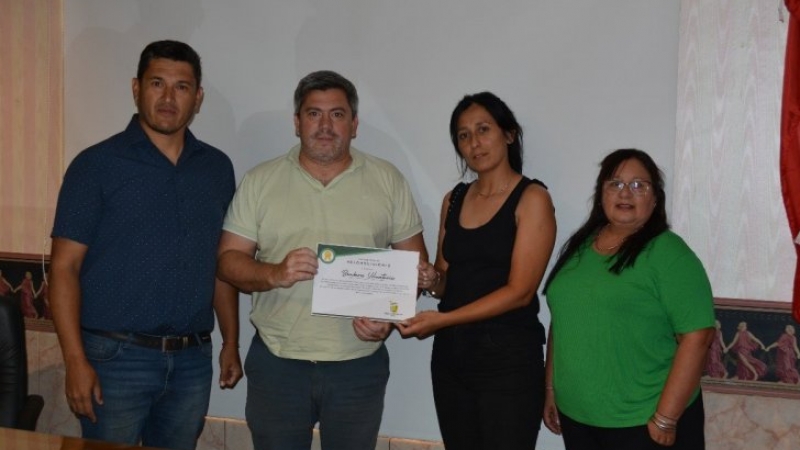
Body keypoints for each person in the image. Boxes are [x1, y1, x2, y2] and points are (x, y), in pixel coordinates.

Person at [216, 70, 428, 450]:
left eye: (337, 114)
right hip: (278, 363)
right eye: (314, 114)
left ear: (354, 124)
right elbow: (228, 261)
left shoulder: (388, 179)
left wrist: (387, 318)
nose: (325, 126)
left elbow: (414, 268)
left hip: (358, 367)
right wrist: (274, 273)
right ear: (297, 122)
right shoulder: (260, 181)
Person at [49, 40, 242, 450]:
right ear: (136, 88)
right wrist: (75, 360)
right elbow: (64, 268)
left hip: (192, 361)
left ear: (198, 98)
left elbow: (222, 264)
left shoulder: (216, 169)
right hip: (114, 358)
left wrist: (231, 342)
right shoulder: (95, 165)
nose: (169, 97)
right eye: (157, 83)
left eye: (181, 87)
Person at [396, 92, 556, 450]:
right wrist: (432, 280)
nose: (474, 143)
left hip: (508, 358)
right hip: (452, 357)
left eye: (483, 129)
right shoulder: (454, 199)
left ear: (509, 134)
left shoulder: (532, 198)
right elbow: (444, 280)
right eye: (464, 135)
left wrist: (443, 320)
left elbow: (520, 292)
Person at [542, 149, 715, 450]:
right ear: (601, 194)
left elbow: (698, 336)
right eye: (615, 183)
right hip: (578, 419)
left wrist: (666, 417)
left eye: (638, 185)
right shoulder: (581, 246)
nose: (625, 193)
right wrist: (550, 389)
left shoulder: (669, 253)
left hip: (643, 423)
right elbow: (563, 320)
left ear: (655, 199)